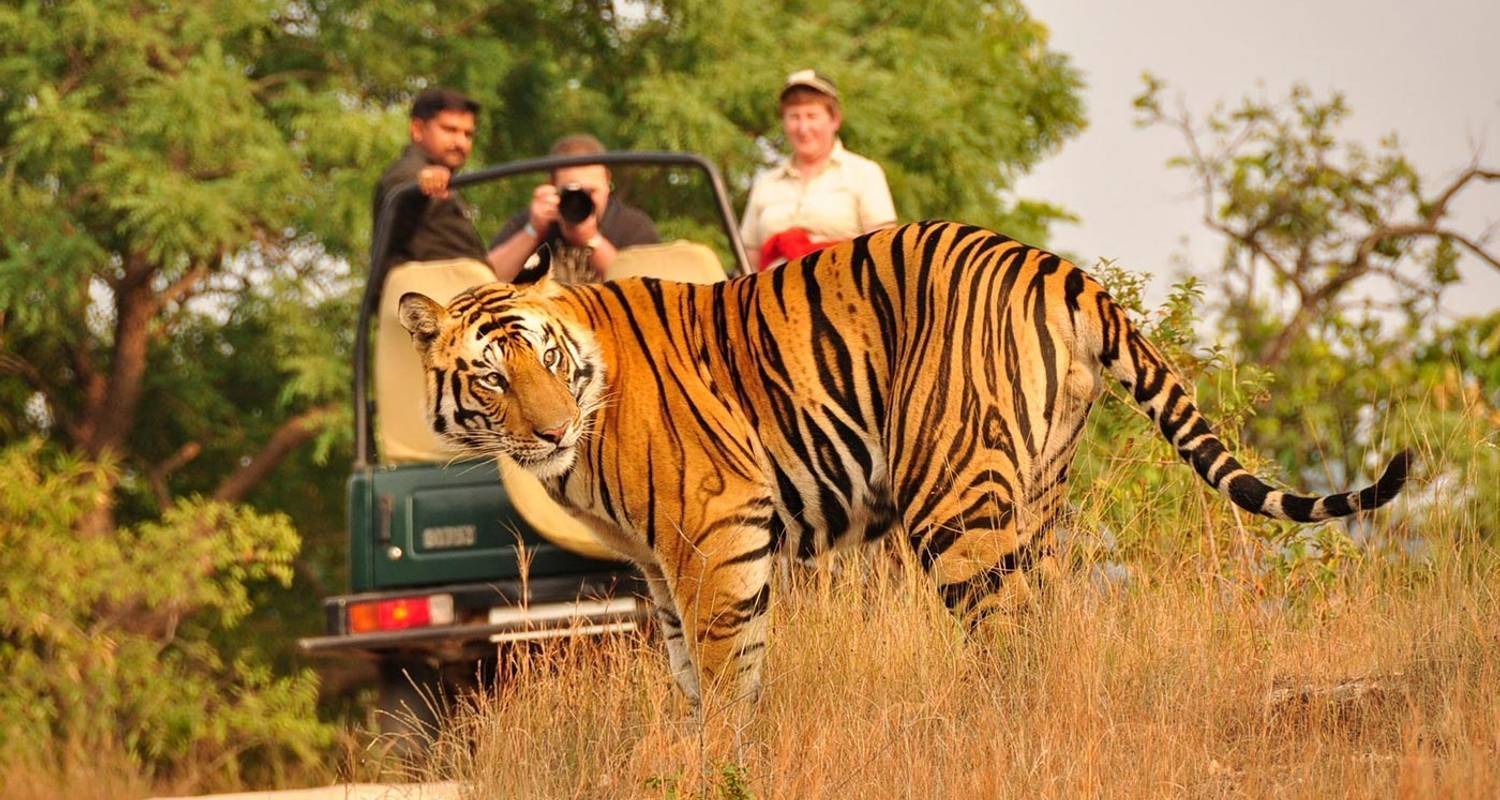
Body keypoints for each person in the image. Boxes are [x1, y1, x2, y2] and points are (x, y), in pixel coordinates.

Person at [740, 70, 898, 270]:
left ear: (835, 120)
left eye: (812, 116)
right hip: (770, 295)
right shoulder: (766, 183)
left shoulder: (864, 173)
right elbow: (747, 262)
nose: (803, 128)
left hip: (842, 294)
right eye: (794, 117)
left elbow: (883, 254)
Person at [487, 134, 659, 281]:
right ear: (552, 185)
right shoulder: (532, 222)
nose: (580, 200)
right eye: (571, 192)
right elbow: (487, 280)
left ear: (607, 180)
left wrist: (592, 240)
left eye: (590, 191)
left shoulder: (634, 227)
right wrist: (532, 231)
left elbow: (646, 292)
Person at [372, 88, 488, 266]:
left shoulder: (447, 183)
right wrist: (423, 182)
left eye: (468, 134)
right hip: (423, 289)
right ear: (417, 129)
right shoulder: (406, 173)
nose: (461, 143)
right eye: (450, 130)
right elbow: (400, 202)